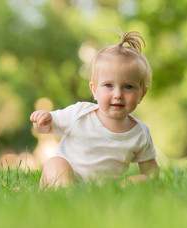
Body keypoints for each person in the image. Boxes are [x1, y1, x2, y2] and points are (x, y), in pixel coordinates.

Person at [30, 31, 159, 189]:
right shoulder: (80, 113)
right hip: (68, 181)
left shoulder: (140, 134)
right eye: (109, 85)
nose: (118, 94)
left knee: (142, 180)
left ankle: (101, 199)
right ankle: (68, 196)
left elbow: (151, 172)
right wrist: (42, 120)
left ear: (142, 94)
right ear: (94, 90)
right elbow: (45, 128)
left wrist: (153, 184)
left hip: (106, 189)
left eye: (128, 87)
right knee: (55, 164)